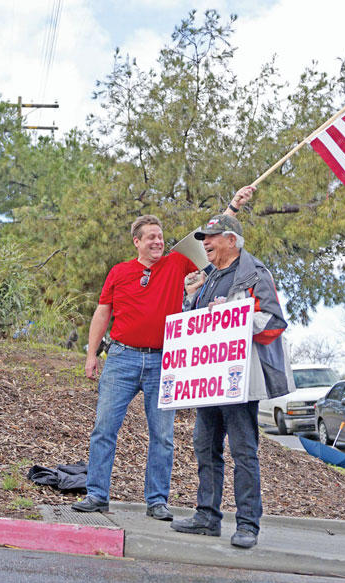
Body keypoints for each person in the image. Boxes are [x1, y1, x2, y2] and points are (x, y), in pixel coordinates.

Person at [72, 187, 254, 520]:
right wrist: (91, 354)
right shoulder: (119, 272)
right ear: (136, 243)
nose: (158, 241)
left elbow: (215, 239)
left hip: (162, 361)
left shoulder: (177, 263)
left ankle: (157, 500)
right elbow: (102, 313)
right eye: (151, 237)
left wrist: (233, 207)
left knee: (163, 435)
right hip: (122, 358)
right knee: (104, 428)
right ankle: (97, 494)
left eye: (160, 236)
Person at [170, 213, 292, 549]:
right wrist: (189, 301)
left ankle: (248, 525)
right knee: (205, 448)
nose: (205, 244)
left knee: (243, 451)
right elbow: (193, 324)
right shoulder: (207, 279)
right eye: (203, 239)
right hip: (209, 382)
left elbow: (273, 322)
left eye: (212, 238)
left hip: (239, 382)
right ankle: (207, 517)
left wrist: (234, 318)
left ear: (232, 240)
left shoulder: (255, 274)